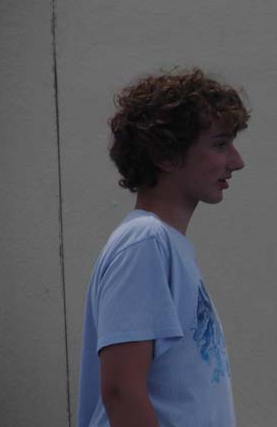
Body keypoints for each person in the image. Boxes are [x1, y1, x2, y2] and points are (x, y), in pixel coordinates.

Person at [77, 68, 250, 427]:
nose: (237, 161)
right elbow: (122, 392)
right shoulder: (145, 243)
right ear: (166, 154)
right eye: (220, 144)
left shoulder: (166, 246)